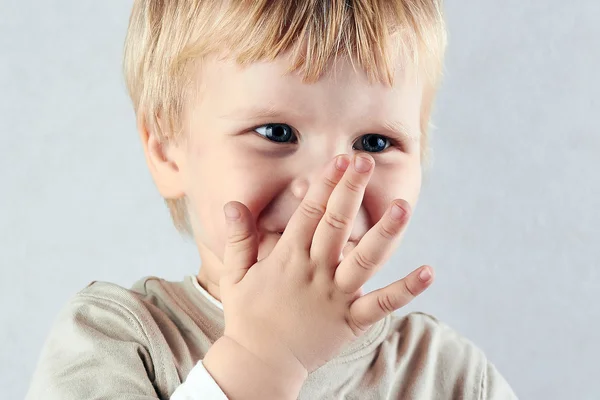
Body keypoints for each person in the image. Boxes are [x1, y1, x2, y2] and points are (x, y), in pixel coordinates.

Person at [26, 1, 517, 399]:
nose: (328, 185)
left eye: (374, 143)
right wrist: (265, 358)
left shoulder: (451, 377)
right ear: (167, 150)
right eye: (276, 132)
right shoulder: (115, 344)